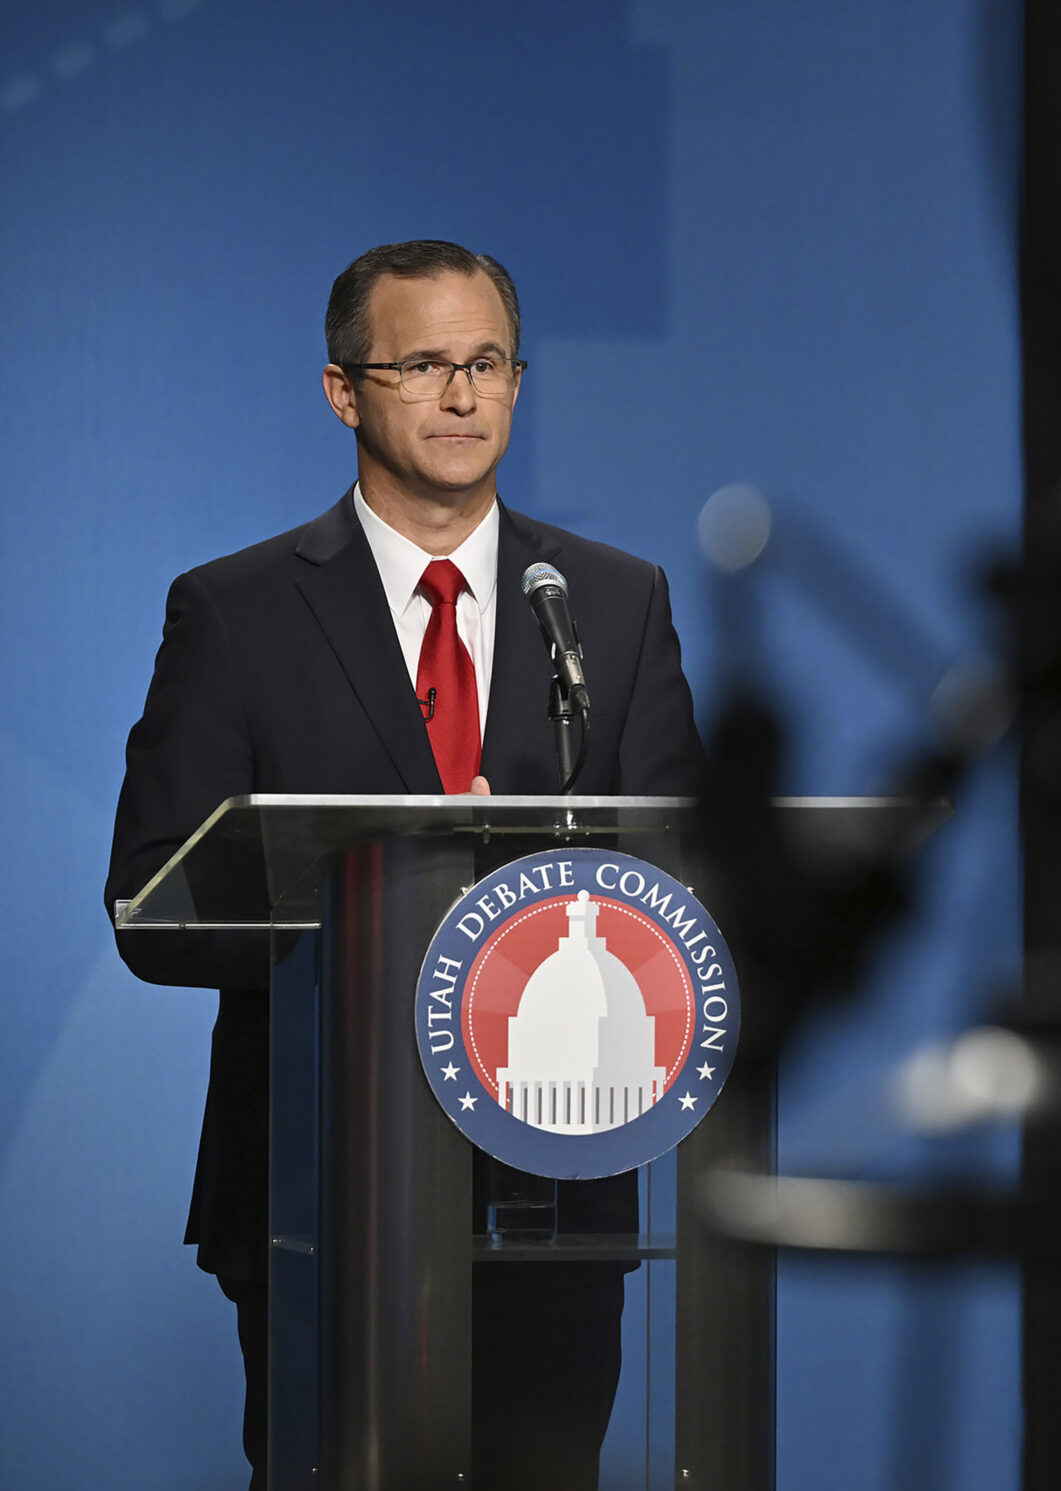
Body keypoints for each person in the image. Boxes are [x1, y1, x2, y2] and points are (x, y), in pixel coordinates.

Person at [103, 240, 707, 1489]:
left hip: (559, 1180)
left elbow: (686, 876)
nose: (460, 394)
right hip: (317, 1196)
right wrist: (383, 890)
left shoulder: (610, 600)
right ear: (343, 391)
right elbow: (155, 911)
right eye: (423, 363)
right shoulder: (237, 611)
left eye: (485, 363)